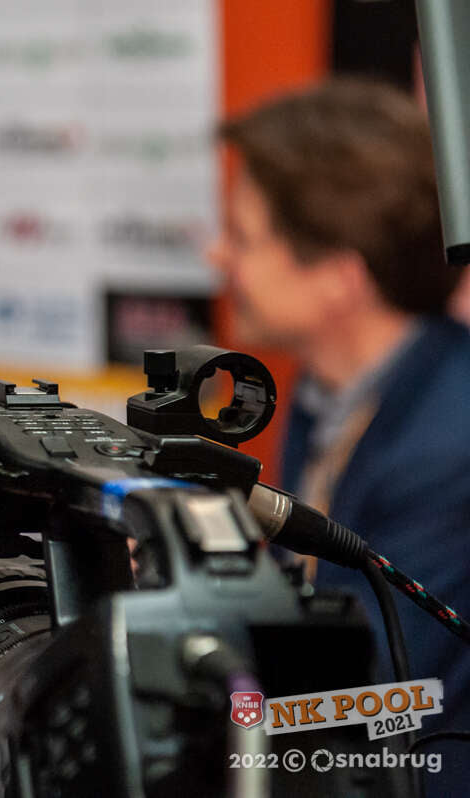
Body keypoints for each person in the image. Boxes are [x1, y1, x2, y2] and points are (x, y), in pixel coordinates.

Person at [209, 78, 470, 789]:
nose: (217, 256)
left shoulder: (449, 449)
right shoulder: (325, 393)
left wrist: (189, 627)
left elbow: (373, 698)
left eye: (242, 238)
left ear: (338, 279)